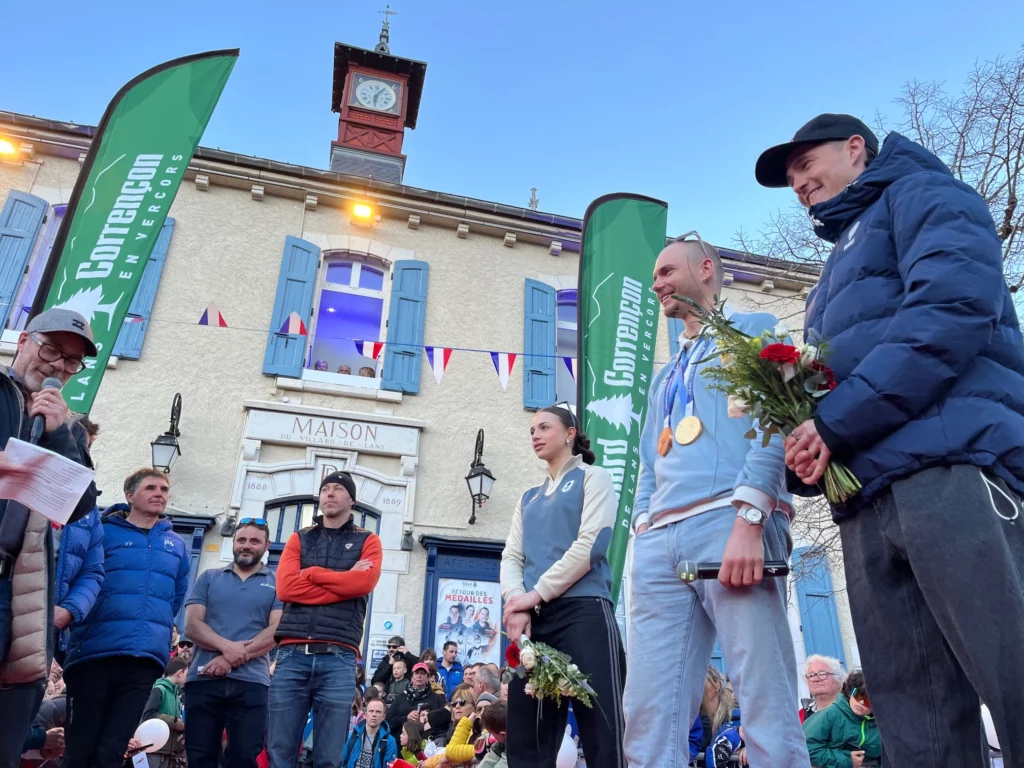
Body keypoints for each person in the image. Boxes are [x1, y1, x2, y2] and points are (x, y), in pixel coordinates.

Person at [758, 113, 1024, 767]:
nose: (797, 183)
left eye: (804, 164)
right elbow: (825, 392)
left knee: (1010, 671)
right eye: (789, 178)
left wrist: (833, 424)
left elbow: (949, 312)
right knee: (913, 711)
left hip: (953, 466)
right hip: (866, 499)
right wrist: (803, 448)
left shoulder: (929, 195)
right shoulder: (824, 287)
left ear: (856, 149)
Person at [622, 236, 809, 767]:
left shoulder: (755, 332)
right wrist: (643, 523)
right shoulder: (663, 376)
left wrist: (751, 516)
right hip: (662, 540)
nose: (656, 283)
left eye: (665, 271)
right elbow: (647, 462)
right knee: (648, 709)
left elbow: (776, 421)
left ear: (705, 268)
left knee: (764, 696)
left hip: (729, 520)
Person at [501, 405, 627, 768]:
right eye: (531, 430)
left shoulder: (594, 477)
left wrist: (534, 594)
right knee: (527, 736)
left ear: (570, 433)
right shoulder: (528, 498)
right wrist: (516, 602)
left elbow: (593, 544)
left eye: (544, 427)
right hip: (536, 623)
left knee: (601, 731)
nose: (535, 435)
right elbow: (511, 556)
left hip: (584, 613)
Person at [0, 308, 99, 767]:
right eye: (51, 350)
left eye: (72, 361)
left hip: (15, 588)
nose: (58, 366)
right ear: (23, 340)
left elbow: (79, 505)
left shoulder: (69, 426)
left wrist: (60, 433)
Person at [63, 468, 189, 768]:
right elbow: (82, 577)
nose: (159, 493)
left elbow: (176, 597)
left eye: (164, 489)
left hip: (144, 657)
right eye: (150, 488)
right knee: (81, 746)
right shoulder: (103, 532)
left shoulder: (177, 545)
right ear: (130, 496)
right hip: (95, 650)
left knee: (113, 749)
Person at [268, 471, 383, 768]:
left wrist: (312, 574)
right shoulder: (299, 538)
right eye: (325, 489)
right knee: (280, 752)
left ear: (352, 500)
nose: (330, 494)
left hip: (339, 658)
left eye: (337, 489)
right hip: (292, 654)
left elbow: (363, 584)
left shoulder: (368, 541)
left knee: (328, 757)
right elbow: (286, 588)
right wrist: (344, 581)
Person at [183, 519, 283, 768]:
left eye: (254, 541)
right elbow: (193, 626)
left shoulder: (278, 583)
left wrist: (229, 659)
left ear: (266, 545)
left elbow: (276, 631)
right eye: (241, 540)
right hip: (203, 679)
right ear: (233, 543)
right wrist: (229, 649)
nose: (246, 546)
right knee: (200, 756)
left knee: (244, 757)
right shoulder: (209, 577)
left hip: (252, 684)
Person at [53, 417, 104, 669]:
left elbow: (92, 571)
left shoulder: (89, 511)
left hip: (51, 629)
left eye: (86, 449)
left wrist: (69, 611)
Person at [803, 670, 881, 768]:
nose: (861, 702)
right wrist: (846, 760)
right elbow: (805, 746)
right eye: (858, 694)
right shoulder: (830, 714)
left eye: (868, 700)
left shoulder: (882, 723)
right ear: (850, 691)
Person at [140, 658, 188, 768]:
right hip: (151, 748)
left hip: (166, 750)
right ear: (180, 673)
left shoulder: (176, 694)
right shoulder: (159, 689)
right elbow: (148, 715)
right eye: (186, 673)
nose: (187, 678)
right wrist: (174, 722)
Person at [699, 666, 745, 768]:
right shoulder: (691, 720)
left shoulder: (738, 717)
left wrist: (747, 747)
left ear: (717, 685)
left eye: (701, 678)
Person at [386, 662, 446, 736]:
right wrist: (406, 719)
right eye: (416, 673)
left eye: (423, 673)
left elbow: (443, 721)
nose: (419, 676)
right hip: (403, 741)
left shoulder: (436, 698)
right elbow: (388, 721)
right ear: (412, 677)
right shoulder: (401, 698)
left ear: (427, 678)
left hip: (428, 741)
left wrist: (427, 719)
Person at [422, 690, 478, 768]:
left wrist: (430, 762)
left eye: (462, 702)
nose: (457, 706)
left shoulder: (476, 730)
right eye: (454, 704)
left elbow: (453, 754)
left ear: (474, 706)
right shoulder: (451, 730)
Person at [340, 698, 396, 768]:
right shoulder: (352, 736)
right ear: (365, 714)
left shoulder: (390, 742)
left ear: (383, 717)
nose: (374, 715)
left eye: (378, 712)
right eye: (371, 711)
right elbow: (341, 763)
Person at [801, 655, 847, 723]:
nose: (815, 679)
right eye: (811, 675)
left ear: (838, 679)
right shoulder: (801, 715)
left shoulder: (854, 708)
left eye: (822, 674)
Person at [479, 701, 508, 768]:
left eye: (492, 734)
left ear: (503, 734)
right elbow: (490, 760)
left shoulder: (517, 749)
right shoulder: (501, 745)